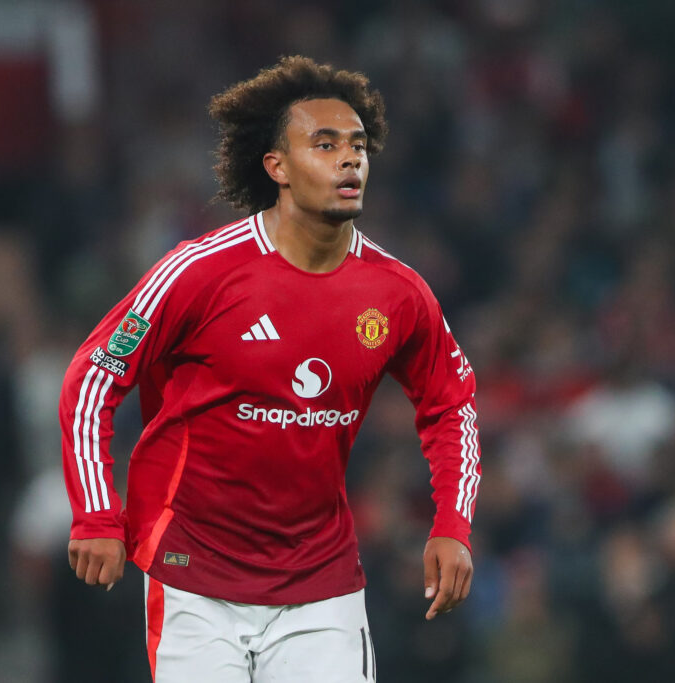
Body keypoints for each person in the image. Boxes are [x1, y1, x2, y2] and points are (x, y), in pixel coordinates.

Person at [59, 56, 481, 682]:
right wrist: (97, 511)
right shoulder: (199, 271)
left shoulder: (398, 294)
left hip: (322, 586)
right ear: (276, 168)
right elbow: (94, 377)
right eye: (326, 143)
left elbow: (453, 404)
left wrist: (452, 523)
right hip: (193, 578)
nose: (349, 159)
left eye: (359, 146)